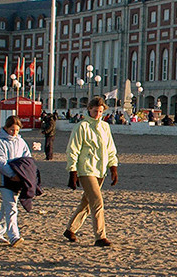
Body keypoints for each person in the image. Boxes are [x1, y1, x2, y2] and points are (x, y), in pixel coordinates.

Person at [63, 96, 118, 247]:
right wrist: (72, 171)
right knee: (97, 202)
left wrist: (113, 167)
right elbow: (73, 149)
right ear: (89, 109)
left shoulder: (105, 127)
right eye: (95, 111)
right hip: (86, 168)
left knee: (86, 202)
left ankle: (70, 229)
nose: (98, 114)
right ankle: (100, 237)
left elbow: (110, 149)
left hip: (100, 169)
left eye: (100, 112)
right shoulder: (81, 127)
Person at [0, 115, 32, 247]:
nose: (14, 133)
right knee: (11, 207)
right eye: (11, 130)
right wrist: (11, 173)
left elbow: (27, 158)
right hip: (4, 179)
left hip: (18, 178)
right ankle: (14, 236)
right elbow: (0, 161)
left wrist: (23, 174)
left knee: (7, 207)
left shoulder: (21, 141)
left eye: (17, 130)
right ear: (6, 128)